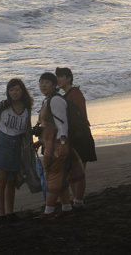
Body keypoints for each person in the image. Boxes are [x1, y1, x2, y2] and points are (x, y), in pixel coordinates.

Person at [0, 78, 41, 224]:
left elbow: (26, 129)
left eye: (17, 90)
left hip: (17, 144)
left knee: (11, 181)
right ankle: (2, 216)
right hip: (2, 143)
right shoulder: (2, 106)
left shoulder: (26, 107)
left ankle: (11, 213)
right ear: (8, 92)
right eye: (11, 90)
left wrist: (30, 144)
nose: (14, 93)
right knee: (2, 180)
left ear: (22, 91)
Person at [33, 72, 82, 220]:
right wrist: (40, 142)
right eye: (41, 82)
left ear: (54, 85)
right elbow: (49, 126)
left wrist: (62, 144)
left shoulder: (55, 100)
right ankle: (66, 208)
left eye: (47, 82)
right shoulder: (46, 101)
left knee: (53, 176)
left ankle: (49, 212)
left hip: (57, 145)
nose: (43, 85)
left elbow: (62, 125)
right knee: (60, 176)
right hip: (50, 143)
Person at [56, 66, 96, 209]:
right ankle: (76, 201)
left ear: (69, 78)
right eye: (57, 77)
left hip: (80, 136)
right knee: (73, 172)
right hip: (74, 136)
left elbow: (78, 118)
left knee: (78, 171)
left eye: (61, 76)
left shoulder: (75, 93)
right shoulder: (66, 95)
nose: (58, 79)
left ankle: (78, 201)